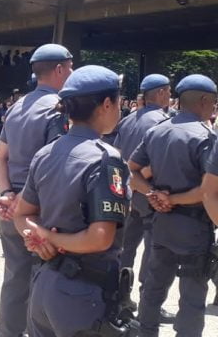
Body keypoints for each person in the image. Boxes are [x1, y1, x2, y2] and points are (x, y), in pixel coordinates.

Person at [13, 65, 132, 336]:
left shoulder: (46, 153)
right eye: (118, 101)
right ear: (106, 104)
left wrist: (41, 239)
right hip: (85, 291)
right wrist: (49, 239)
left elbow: (21, 215)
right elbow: (100, 237)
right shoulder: (106, 158)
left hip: (45, 284)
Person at [0, 42, 72, 337]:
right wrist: (23, 202)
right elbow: (52, 166)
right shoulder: (58, 107)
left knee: (14, 277)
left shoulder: (16, 108)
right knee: (45, 279)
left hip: (12, 206)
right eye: (71, 67)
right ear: (61, 69)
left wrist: (6, 194)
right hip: (39, 211)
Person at [128, 74, 217, 337]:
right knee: (191, 296)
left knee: (154, 289)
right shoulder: (205, 137)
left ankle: (146, 332)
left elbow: (131, 172)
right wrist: (173, 199)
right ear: (203, 100)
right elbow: (206, 191)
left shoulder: (157, 130)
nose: (214, 107)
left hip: (161, 224)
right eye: (213, 102)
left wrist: (153, 193)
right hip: (193, 226)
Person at [113, 74, 175, 323]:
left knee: (125, 249)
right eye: (168, 91)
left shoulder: (128, 120)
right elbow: (153, 161)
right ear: (160, 93)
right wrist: (141, 180)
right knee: (153, 251)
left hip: (127, 194)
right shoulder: (162, 121)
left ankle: (120, 297)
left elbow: (116, 154)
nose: (169, 96)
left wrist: (128, 182)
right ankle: (150, 302)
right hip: (149, 192)